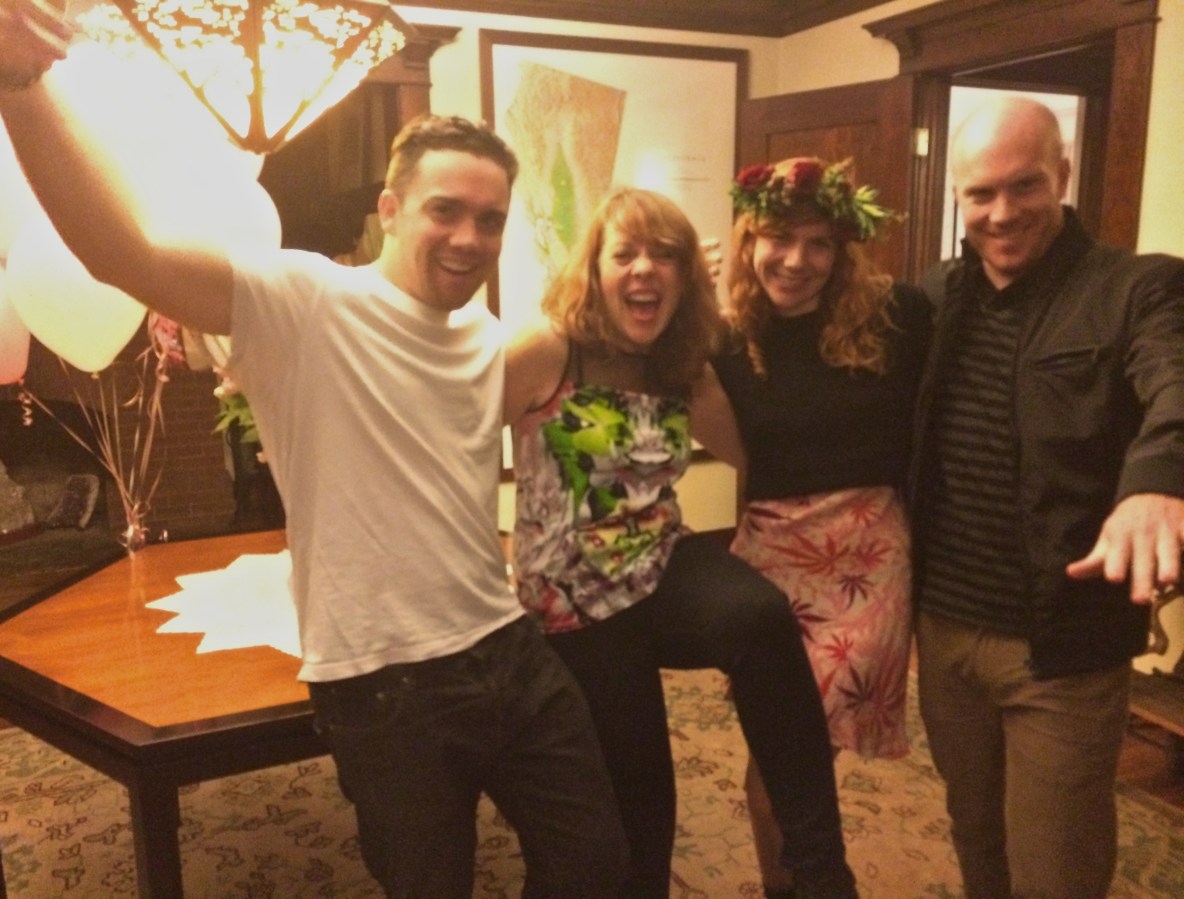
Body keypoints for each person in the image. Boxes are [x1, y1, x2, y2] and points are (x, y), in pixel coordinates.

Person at [0, 7, 631, 898]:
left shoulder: (489, 337)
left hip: (508, 648)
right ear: (390, 209)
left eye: (490, 219)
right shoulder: (304, 299)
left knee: (597, 864)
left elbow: (600, 351)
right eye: (445, 210)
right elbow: (121, 253)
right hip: (384, 687)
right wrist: (19, 84)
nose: (468, 237)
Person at [504, 186, 859, 899]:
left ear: (685, 275)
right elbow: (447, 443)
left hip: (660, 560)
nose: (645, 269)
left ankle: (820, 870)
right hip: (576, 598)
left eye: (665, 255)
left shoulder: (680, 363)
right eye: (625, 254)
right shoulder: (548, 349)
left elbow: (755, 456)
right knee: (643, 810)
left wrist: (835, 525)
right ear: (594, 269)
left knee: (761, 616)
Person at [911, 95, 1184, 899]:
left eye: (1024, 185)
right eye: (980, 193)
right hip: (944, 631)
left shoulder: (1139, 288)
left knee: (1055, 862)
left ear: (1063, 175)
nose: (1001, 213)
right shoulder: (934, 296)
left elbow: (1176, 383)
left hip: (1061, 648)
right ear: (957, 196)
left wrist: (1156, 482)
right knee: (975, 831)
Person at [713, 157, 931, 899]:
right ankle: (792, 885)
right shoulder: (725, 338)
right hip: (772, 562)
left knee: (795, 755)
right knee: (771, 756)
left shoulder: (899, 317)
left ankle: (811, 880)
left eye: (819, 244)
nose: (796, 260)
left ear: (842, 251)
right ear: (749, 239)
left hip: (868, 559)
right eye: (779, 238)